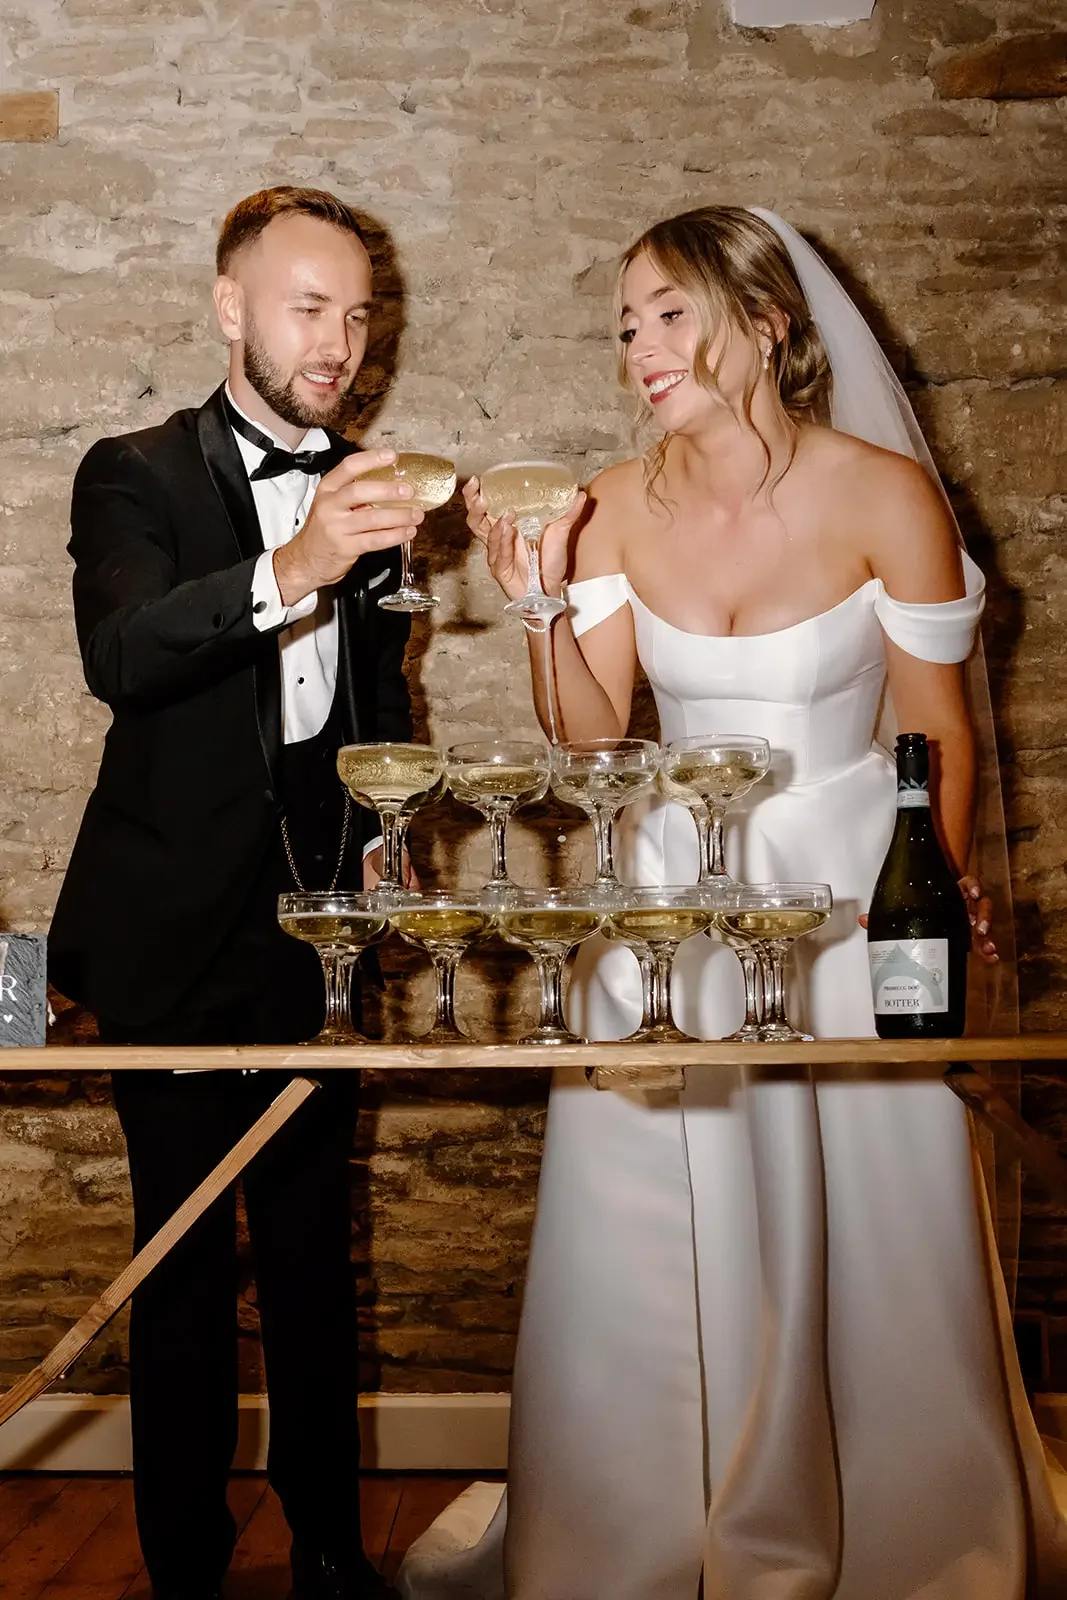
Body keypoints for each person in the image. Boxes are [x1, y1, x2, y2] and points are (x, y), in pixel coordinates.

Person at [397, 208, 1067, 1598]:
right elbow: (590, 744)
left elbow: (932, 738)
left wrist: (916, 915)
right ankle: (639, 1527)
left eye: (668, 313)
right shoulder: (604, 506)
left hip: (843, 904)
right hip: (673, 913)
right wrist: (537, 612)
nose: (640, 347)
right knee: (650, 1244)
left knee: (878, 1230)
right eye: (625, 324)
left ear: (762, 323)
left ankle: (910, 1528)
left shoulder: (886, 496)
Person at [48, 186, 417, 1600]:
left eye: (358, 313)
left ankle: (330, 1547)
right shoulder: (132, 471)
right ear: (231, 307)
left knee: (321, 1257)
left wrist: (387, 838)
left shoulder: (374, 479)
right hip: (169, 937)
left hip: (319, 934)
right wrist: (296, 560)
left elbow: (370, 700)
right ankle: (184, 1565)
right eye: (308, 306)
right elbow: (126, 653)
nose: (337, 341)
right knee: (184, 1261)